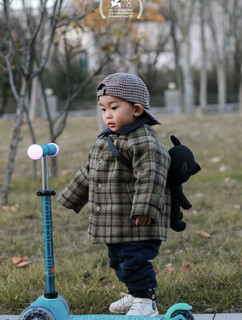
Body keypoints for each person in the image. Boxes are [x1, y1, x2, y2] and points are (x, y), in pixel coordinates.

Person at [58, 72, 171, 317]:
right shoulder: (107, 140)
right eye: (103, 108)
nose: (107, 114)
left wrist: (146, 207)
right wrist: (70, 196)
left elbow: (152, 175)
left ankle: (146, 301)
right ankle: (135, 292)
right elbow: (90, 172)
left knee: (135, 260)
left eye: (114, 107)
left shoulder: (144, 141)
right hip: (114, 219)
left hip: (138, 219)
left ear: (137, 109)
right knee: (118, 261)